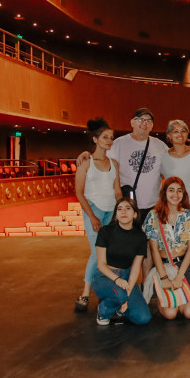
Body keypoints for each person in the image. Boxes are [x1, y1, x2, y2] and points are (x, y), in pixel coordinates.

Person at [77, 107, 170, 224]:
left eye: (148, 121)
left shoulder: (160, 146)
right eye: (140, 120)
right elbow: (101, 157)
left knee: (152, 242)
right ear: (132, 122)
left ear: (152, 125)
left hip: (153, 206)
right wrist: (88, 154)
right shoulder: (118, 144)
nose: (144, 124)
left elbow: (176, 159)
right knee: (129, 241)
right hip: (127, 205)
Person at [74, 118, 122, 312]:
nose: (109, 141)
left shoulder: (114, 163)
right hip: (93, 210)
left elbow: (117, 190)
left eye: (111, 138)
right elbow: (79, 192)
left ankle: (105, 290)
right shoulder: (86, 163)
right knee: (96, 252)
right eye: (105, 137)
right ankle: (85, 293)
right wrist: (92, 216)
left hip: (111, 211)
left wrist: (121, 211)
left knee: (108, 254)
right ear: (95, 139)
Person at [141, 177, 190, 320]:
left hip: (184, 266)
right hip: (163, 266)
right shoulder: (153, 216)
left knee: (189, 312)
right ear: (164, 193)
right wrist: (164, 278)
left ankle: (182, 296)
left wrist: (180, 277)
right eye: (171, 190)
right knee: (170, 314)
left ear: (184, 194)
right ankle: (167, 296)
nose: (175, 194)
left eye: (179, 191)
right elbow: (154, 250)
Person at [160, 119, 190, 289]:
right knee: (174, 248)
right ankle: (176, 284)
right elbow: (163, 183)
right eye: (176, 131)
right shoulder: (163, 157)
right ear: (169, 136)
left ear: (187, 135)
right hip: (173, 211)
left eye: (183, 131)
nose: (180, 134)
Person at [92, 197, 151, 325]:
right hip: (104, 276)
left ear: (135, 214)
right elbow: (101, 265)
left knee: (143, 318)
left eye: (128, 208)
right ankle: (103, 312)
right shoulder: (105, 232)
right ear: (116, 214)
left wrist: (129, 289)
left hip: (126, 276)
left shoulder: (140, 237)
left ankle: (119, 307)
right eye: (120, 209)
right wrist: (118, 280)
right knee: (120, 295)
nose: (123, 212)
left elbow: (136, 267)